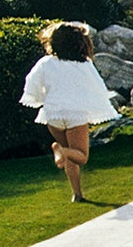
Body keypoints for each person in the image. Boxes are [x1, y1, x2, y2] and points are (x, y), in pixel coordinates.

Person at [18, 21, 118, 203]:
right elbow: (96, 87)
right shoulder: (83, 64)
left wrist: (42, 100)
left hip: (53, 115)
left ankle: (77, 194)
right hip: (75, 114)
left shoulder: (45, 63)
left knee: (71, 155)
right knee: (81, 156)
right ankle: (60, 150)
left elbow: (32, 83)